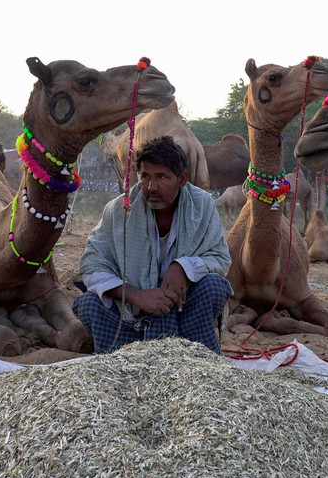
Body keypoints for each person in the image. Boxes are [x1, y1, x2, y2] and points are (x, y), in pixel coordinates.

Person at [74, 136, 232, 353]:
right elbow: (92, 266)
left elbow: (220, 258)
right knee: (89, 304)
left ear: (182, 179)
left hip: (182, 310)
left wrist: (183, 268)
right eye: (145, 176)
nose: (151, 186)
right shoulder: (119, 209)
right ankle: (128, 351)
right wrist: (138, 296)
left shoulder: (201, 205)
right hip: (130, 312)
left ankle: (193, 351)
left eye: (162, 177)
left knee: (214, 286)